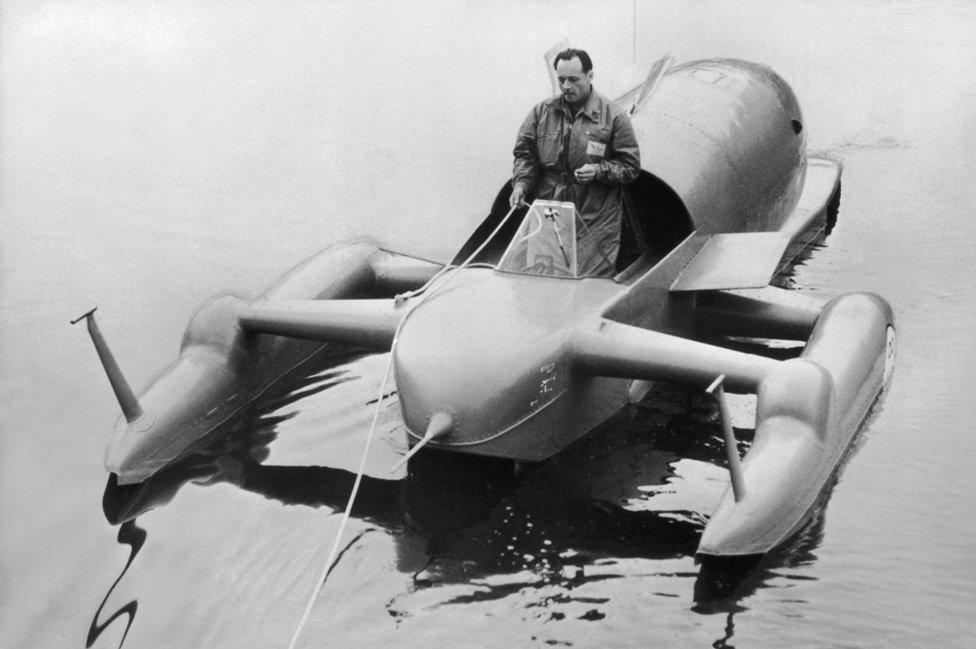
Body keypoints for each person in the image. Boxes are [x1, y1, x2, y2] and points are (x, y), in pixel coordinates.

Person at [510, 48, 641, 276]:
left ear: (590, 76)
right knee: (543, 274)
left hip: (595, 216)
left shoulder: (614, 117)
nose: (566, 86)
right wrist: (521, 184)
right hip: (551, 211)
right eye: (561, 80)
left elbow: (630, 166)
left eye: (573, 79)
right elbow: (525, 155)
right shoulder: (542, 113)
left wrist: (599, 170)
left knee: (588, 281)